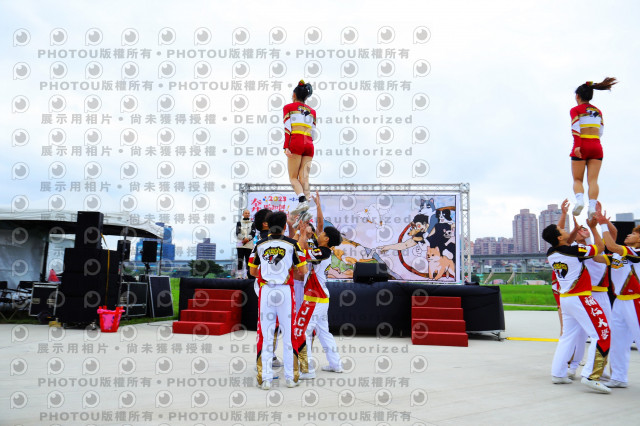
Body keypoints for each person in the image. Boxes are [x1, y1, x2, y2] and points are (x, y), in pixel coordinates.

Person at [541, 221, 611, 393]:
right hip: (580, 297)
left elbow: (567, 242)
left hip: (566, 299)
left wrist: (574, 230)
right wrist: (593, 228)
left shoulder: (551, 252)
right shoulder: (574, 251)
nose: (566, 230)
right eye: (562, 229)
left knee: (567, 337)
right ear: (559, 237)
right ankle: (591, 376)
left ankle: (558, 374)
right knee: (602, 333)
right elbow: (600, 248)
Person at [249, 211, 308, 390]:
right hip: (285, 291)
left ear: (268, 226)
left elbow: (252, 272)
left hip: (266, 290)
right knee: (289, 335)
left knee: (265, 335)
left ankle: (265, 379)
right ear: (284, 227)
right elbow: (303, 271)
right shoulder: (292, 244)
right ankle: (291, 378)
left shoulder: (259, 245)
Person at [595, 212, 640, 389]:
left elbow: (612, 245)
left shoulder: (635, 252)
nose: (628, 234)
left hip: (635, 301)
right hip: (620, 302)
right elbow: (598, 257)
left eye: (634, 233)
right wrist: (602, 223)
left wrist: (602, 225)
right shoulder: (619, 254)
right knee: (617, 342)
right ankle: (619, 377)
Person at [297, 224, 344, 379]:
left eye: (322, 233)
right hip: (321, 297)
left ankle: (307, 370)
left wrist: (303, 234)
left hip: (314, 297)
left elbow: (301, 251)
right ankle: (336, 364)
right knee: (324, 332)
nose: (319, 235)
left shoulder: (322, 252)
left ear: (327, 239)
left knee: (303, 331)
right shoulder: (324, 251)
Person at [569, 77, 617, 218]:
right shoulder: (598, 111)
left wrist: (578, 145)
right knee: (593, 180)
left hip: (581, 145)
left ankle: (579, 201)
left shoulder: (575, 110)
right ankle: (592, 207)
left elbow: (575, 128)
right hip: (596, 146)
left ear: (577, 96)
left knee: (578, 180)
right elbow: (601, 131)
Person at [283, 80, 316, 217]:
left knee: (293, 177)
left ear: (294, 95)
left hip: (296, 142)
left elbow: (287, 128)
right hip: (309, 144)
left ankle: (302, 201)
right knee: (304, 179)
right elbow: (313, 133)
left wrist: (286, 146)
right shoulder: (312, 112)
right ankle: (306, 211)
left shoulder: (288, 107)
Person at [235, 209, 255, 279]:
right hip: (240, 244)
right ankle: (239, 275)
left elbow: (253, 233)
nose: (247, 214)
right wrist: (243, 238)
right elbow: (237, 233)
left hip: (249, 244)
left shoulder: (252, 223)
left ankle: (247, 275)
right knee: (240, 259)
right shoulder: (239, 223)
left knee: (248, 260)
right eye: (246, 213)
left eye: (248, 213)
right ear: (243, 214)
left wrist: (247, 239)